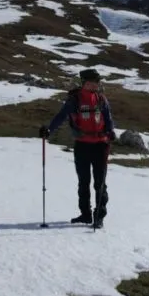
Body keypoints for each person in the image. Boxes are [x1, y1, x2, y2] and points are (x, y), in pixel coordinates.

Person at [39, 68, 117, 228]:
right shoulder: (74, 99)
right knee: (84, 181)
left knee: (100, 182)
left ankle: (99, 216)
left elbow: (108, 118)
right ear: (86, 83)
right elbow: (61, 116)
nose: (97, 84)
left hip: (101, 144)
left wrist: (110, 131)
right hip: (82, 144)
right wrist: (49, 130)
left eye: (98, 82)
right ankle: (86, 214)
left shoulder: (101, 99)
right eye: (94, 82)